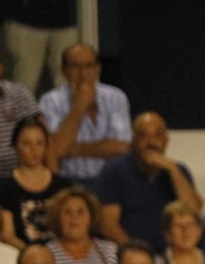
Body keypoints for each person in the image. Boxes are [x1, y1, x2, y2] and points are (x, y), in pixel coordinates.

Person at [95, 112, 205, 252]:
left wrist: (172, 169)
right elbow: (108, 225)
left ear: (166, 141)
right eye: (143, 136)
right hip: (132, 251)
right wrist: (136, 252)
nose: (151, 142)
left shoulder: (177, 170)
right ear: (133, 140)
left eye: (157, 136)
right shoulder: (114, 170)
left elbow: (194, 210)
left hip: (175, 252)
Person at [38, 44, 129, 184]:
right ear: (64, 70)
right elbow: (58, 150)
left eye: (89, 66)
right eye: (75, 66)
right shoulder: (50, 101)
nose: (83, 73)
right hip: (69, 182)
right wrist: (79, 106)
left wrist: (74, 149)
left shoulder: (116, 97)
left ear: (98, 68)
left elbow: (122, 148)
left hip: (111, 182)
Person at [0, 117, 69, 247]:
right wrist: (34, 254)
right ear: (15, 146)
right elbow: (7, 234)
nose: (34, 149)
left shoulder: (63, 186)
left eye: (39, 143)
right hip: (22, 255)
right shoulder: (4, 188)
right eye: (26, 143)